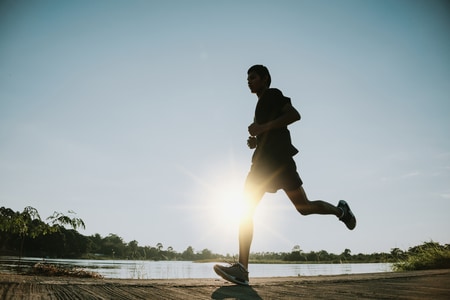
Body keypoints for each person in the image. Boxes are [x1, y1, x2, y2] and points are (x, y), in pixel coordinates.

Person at [213, 65, 356, 286]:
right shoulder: (261, 103)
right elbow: (270, 133)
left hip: (279, 163)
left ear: (265, 79)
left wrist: (262, 129)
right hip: (262, 165)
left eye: (253, 77)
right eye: (247, 78)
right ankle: (242, 268)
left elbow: (294, 115)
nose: (248, 81)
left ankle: (341, 211)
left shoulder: (273, 94)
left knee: (304, 208)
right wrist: (257, 141)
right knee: (245, 210)